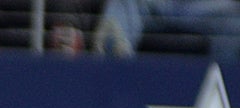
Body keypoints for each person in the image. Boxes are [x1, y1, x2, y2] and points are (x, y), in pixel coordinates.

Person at [94, 0, 240, 59]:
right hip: (155, 4)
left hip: (209, 7)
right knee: (125, 2)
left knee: (235, 23)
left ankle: (225, 85)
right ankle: (114, 64)